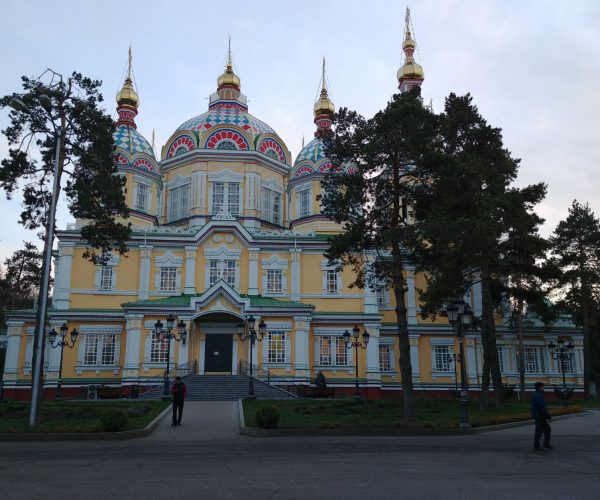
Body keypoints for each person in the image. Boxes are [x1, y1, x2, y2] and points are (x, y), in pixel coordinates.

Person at [531, 381, 553, 451]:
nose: (544, 388)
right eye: (543, 387)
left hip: (539, 416)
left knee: (546, 429)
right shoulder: (538, 396)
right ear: (539, 387)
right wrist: (548, 416)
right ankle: (537, 446)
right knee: (539, 431)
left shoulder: (536, 394)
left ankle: (545, 444)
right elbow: (542, 407)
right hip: (540, 416)